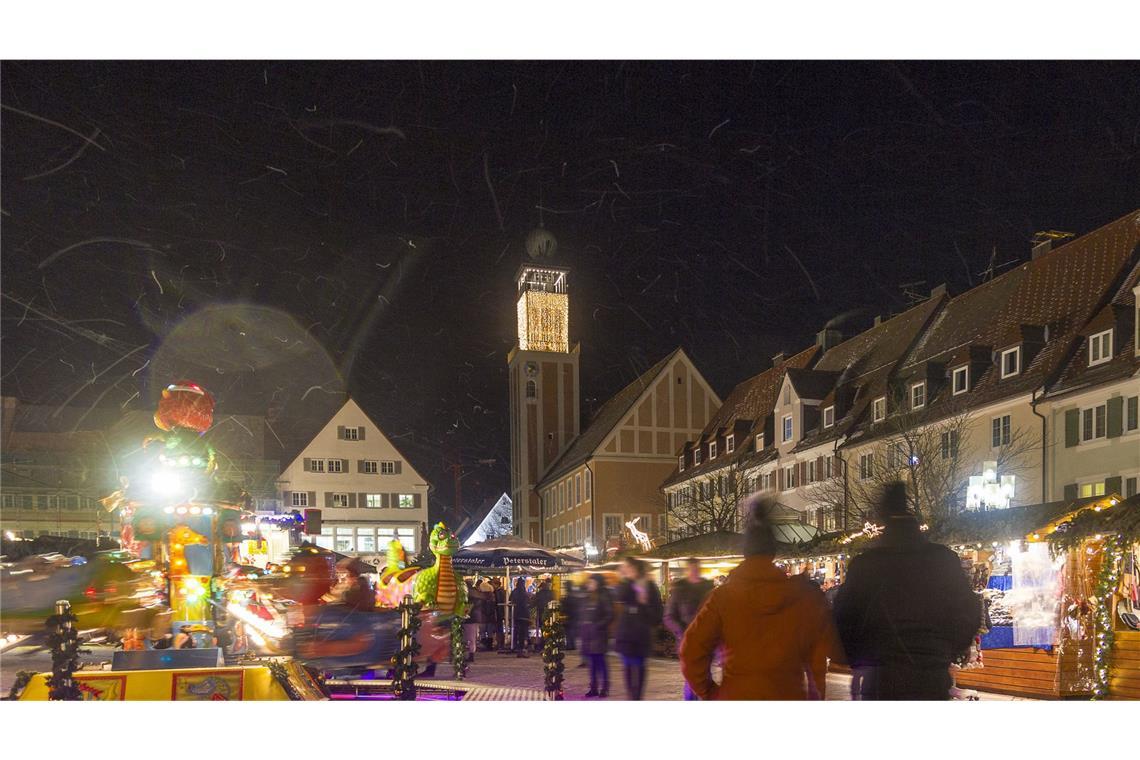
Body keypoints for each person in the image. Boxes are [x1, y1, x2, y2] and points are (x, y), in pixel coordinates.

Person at [680, 497, 840, 700]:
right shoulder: (801, 598)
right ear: (773, 551)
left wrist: (710, 693)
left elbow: (691, 651)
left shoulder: (722, 598)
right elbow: (817, 658)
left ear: (745, 551)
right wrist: (815, 696)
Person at [833, 482, 981, 700]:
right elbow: (968, 610)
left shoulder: (867, 565)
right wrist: (948, 650)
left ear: (882, 516)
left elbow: (844, 618)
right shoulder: (942, 559)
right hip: (931, 674)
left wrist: (858, 658)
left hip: (882, 676)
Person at [664, 557, 714, 700]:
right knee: (691, 678)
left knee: (706, 676)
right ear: (688, 570)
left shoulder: (708, 589)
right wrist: (682, 631)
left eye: (697, 568)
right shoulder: (680, 590)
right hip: (687, 642)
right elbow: (668, 616)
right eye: (692, 568)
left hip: (706, 641)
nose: (695, 571)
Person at [614, 557, 663, 700]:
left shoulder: (649, 585)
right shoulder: (626, 584)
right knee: (628, 665)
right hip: (626, 632)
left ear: (635, 568)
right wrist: (625, 579)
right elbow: (619, 596)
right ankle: (631, 695)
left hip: (641, 632)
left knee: (640, 665)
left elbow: (657, 611)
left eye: (627, 567)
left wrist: (644, 606)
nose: (625, 569)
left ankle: (638, 696)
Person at [580, 573, 614, 698]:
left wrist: (598, 625)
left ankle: (604, 688)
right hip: (588, 636)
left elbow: (609, 615)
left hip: (599, 636)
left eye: (592, 582)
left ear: (598, 584)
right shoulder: (587, 597)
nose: (589, 584)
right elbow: (583, 615)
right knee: (592, 664)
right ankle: (593, 687)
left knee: (601, 663)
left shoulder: (603, 597)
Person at [510, 577, 531, 657]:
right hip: (524, 615)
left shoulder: (514, 592)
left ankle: (516, 646)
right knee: (523, 632)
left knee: (516, 631)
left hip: (516, 614)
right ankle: (522, 649)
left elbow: (510, 600)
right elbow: (528, 602)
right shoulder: (524, 593)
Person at [533, 578, 554, 651]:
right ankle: (548, 643)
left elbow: (534, 603)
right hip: (550, 613)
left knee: (543, 628)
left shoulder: (539, 594)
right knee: (549, 628)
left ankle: (543, 643)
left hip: (542, 613)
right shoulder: (551, 593)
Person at [562, 579, 580, 651]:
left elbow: (566, 605)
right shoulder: (574, 594)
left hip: (569, 615)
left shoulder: (568, 595)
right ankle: (572, 645)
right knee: (571, 630)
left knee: (569, 631)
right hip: (574, 615)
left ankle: (570, 645)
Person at [491, 578, 507, 650]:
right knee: (499, 629)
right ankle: (500, 644)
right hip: (500, 613)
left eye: (493, 584)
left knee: (499, 629)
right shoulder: (501, 591)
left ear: (496, 584)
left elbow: (498, 603)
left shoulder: (498, 592)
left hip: (498, 613)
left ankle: (500, 644)